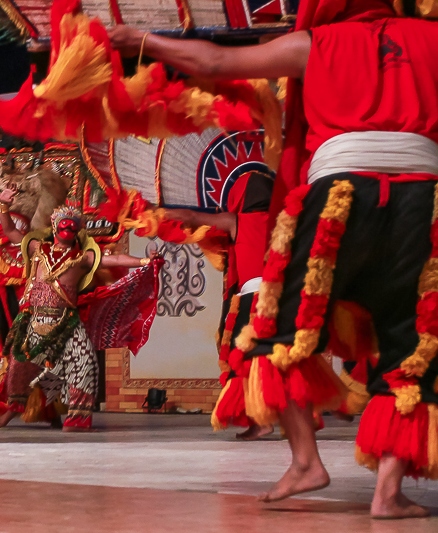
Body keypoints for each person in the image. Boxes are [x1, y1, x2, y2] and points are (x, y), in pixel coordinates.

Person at [110, 0, 438, 518]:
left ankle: (307, 461)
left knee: (278, 330)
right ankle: (388, 493)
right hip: (422, 200)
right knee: (410, 343)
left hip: (339, 196)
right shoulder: (430, 38)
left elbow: (215, 63)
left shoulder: (321, 42)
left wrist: (141, 43)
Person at [0, 184, 156, 431]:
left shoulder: (83, 257)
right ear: (54, 224)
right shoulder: (38, 248)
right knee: (19, 365)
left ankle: (77, 416)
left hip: (66, 322)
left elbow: (114, 259)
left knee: (85, 362)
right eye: (64, 221)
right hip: (35, 318)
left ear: (78, 230)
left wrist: (146, 261)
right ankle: (14, 409)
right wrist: (4, 204)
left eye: (73, 223)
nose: (68, 226)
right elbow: (9, 230)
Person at [165, 171, 275, 440]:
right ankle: (286, 422)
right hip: (283, 299)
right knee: (277, 361)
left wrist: (158, 213)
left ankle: (261, 422)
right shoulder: (285, 222)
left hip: (253, 299)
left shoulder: (238, 220)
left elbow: (192, 218)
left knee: (244, 361)